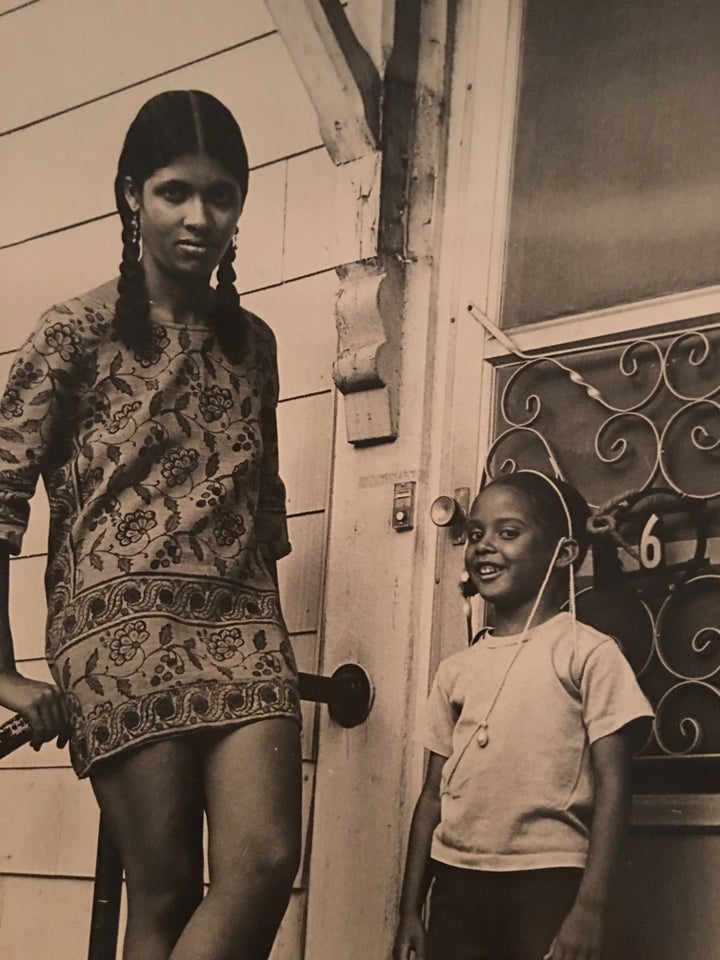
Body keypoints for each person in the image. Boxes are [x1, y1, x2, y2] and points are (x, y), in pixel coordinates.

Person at [0, 90, 302, 960]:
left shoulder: (257, 347)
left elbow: (263, 513)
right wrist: (1, 671)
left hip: (243, 620)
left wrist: (269, 638)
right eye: (175, 191)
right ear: (133, 194)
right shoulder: (73, 333)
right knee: (165, 892)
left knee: (265, 859)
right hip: (118, 624)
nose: (199, 216)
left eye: (220, 194)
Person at [394, 470, 653, 960]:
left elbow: (615, 785)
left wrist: (591, 906)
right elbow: (432, 797)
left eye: (508, 533)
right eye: (475, 534)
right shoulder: (457, 670)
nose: (484, 546)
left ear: (563, 554)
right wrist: (410, 909)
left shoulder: (586, 654)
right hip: (458, 882)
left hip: (548, 880)